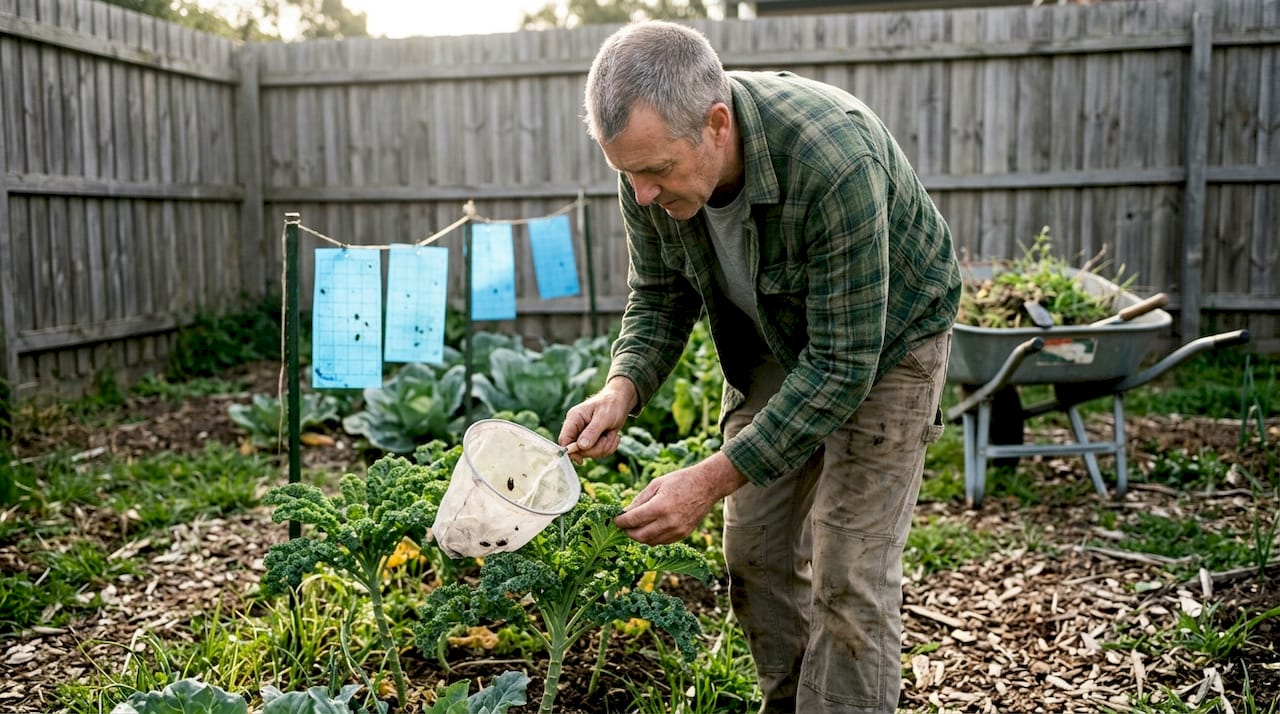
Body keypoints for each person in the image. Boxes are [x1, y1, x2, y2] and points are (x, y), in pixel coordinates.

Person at [558, 19, 961, 714]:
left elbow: (842, 366)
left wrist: (708, 478)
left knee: (851, 574)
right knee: (757, 554)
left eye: (656, 171)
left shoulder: (834, 158)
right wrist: (621, 389)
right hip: (778, 332)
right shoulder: (645, 172)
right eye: (629, 174)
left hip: (888, 340)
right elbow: (659, 295)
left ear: (717, 123)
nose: (644, 193)